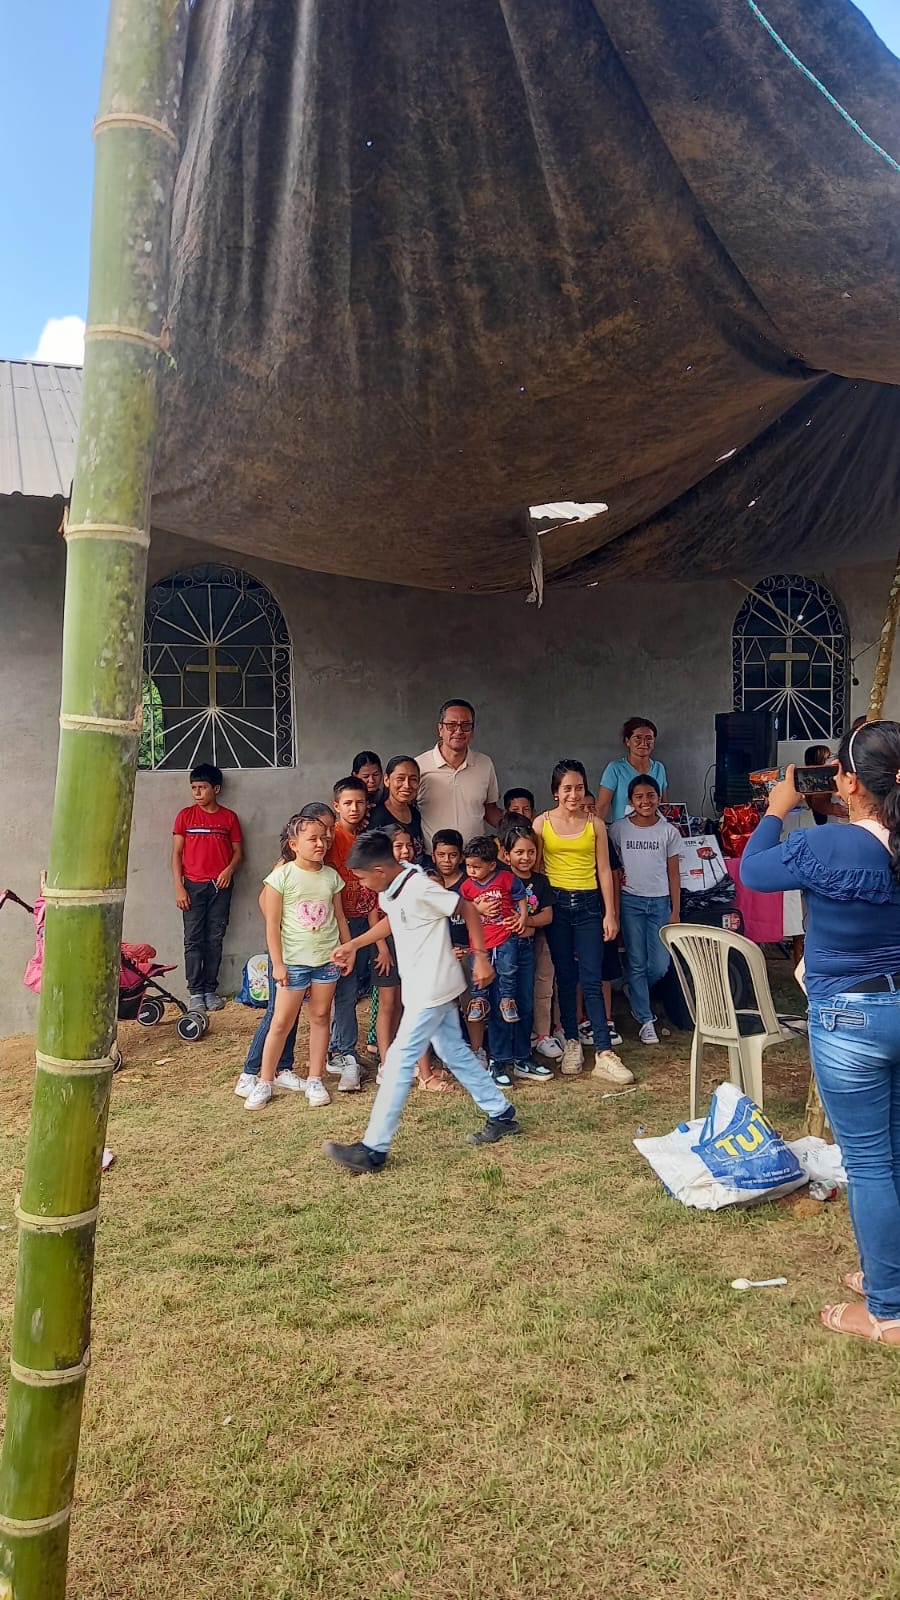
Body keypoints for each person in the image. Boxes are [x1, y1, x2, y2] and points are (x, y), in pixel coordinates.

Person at [741, 721, 900, 1345]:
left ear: (850, 782)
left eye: (838, 769)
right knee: (893, 1153)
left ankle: (888, 1309)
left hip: (849, 1018)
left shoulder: (832, 844)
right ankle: (888, 1274)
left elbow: (754, 871)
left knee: (870, 1163)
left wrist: (777, 808)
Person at [322, 830, 522, 1173]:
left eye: (363, 878)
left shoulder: (419, 887)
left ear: (380, 870)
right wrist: (354, 944)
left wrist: (481, 957)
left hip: (431, 989)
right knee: (454, 1052)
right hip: (423, 988)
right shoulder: (393, 886)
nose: (363, 884)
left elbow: (467, 909)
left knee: (399, 1061)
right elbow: (393, 921)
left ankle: (373, 1149)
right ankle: (501, 1113)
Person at [244, 809, 352, 1111]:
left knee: (321, 1016)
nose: (320, 844)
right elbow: (272, 925)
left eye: (324, 839)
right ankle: (265, 1080)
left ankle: (315, 1078)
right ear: (294, 844)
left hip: (327, 961)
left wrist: (348, 949)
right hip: (293, 963)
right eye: (312, 839)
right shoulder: (281, 877)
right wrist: (278, 964)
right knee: (281, 1021)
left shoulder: (331, 877)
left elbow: (339, 917)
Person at [534, 760, 632, 1084]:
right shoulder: (541, 824)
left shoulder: (596, 825)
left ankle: (604, 1051)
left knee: (592, 978)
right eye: (567, 789)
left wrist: (610, 913)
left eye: (579, 788)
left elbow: (604, 870)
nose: (573, 795)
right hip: (557, 906)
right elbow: (536, 870)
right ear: (555, 792)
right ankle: (572, 1043)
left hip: (590, 906)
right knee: (565, 978)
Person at [609, 775, 682, 1044]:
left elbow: (674, 874)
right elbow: (613, 867)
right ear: (630, 800)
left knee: (659, 965)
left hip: (660, 902)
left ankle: (632, 987)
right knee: (637, 961)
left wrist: (675, 910)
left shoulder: (668, 832)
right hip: (631, 902)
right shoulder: (618, 829)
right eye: (639, 797)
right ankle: (645, 1019)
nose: (645, 801)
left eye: (651, 795)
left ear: (659, 798)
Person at [171, 763, 243, 1012]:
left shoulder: (229, 818)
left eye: (202, 787)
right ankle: (195, 992)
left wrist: (228, 870)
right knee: (193, 940)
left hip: (220, 887)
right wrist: (179, 887)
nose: (197, 793)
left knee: (215, 938)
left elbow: (238, 852)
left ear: (217, 789)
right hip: (192, 887)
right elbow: (176, 854)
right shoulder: (185, 816)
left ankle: (211, 990)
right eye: (194, 788)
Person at [327, 776, 380, 1090]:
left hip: (361, 922)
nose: (354, 808)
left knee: (354, 988)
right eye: (347, 803)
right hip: (332, 925)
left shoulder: (367, 841)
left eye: (360, 802)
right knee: (340, 991)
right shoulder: (329, 838)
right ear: (336, 806)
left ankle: (343, 1048)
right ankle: (343, 1052)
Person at [459, 835, 527, 1085]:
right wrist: (477, 909)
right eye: (468, 866)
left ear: (491, 865)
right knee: (478, 973)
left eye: (476, 867)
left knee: (508, 969)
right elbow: (461, 909)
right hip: (480, 941)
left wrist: (522, 917)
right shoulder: (467, 887)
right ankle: (478, 1001)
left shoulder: (506, 879)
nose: (472, 871)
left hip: (505, 935)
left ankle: (507, 1000)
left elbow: (520, 896)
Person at [503, 822, 555, 1082]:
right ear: (506, 855)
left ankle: (523, 1056)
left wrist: (527, 921)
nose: (525, 858)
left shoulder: (540, 882)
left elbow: (548, 915)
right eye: (519, 852)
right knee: (503, 1000)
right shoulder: (500, 880)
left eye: (531, 852)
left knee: (525, 999)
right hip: (502, 949)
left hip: (527, 948)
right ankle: (499, 1057)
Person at [416, 699, 502, 850]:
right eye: (451, 725)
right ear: (440, 729)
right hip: (433, 858)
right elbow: (403, 809)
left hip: (475, 858)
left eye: (466, 725)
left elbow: (490, 810)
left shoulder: (484, 764)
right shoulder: (419, 766)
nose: (459, 731)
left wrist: (521, 825)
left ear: (472, 730)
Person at [597, 719, 669, 824]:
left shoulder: (659, 768)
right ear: (627, 741)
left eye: (649, 738)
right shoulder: (615, 768)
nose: (644, 743)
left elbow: (664, 806)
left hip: (654, 831)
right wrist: (596, 831)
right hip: (622, 832)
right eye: (638, 738)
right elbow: (603, 806)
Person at [369, 756, 427, 856]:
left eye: (413, 779)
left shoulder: (416, 813)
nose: (407, 785)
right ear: (386, 780)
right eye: (400, 778)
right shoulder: (375, 817)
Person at [352, 750, 384, 820]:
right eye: (366, 776)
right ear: (355, 776)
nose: (372, 780)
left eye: (376, 775)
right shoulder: (347, 796)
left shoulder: (387, 795)